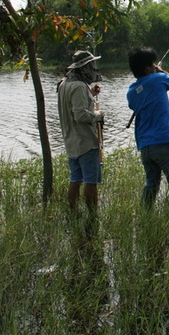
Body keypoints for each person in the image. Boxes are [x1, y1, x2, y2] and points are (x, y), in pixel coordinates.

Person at [126, 47, 169, 219]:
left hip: (145, 146)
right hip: (165, 142)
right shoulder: (159, 78)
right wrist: (163, 71)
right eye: (152, 64)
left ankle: (145, 218)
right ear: (147, 67)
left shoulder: (131, 91)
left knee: (151, 184)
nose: (155, 66)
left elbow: (137, 102)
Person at [57, 50, 104, 213]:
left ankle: (73, 213)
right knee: (90, 181)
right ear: (84, 67)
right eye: (91, 65)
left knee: (75, 179)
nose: (93, 68)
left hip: (71, 142)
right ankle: (92, 214)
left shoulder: (64, 83)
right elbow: (80, 115)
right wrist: (97, 116)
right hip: (85, 142)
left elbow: (74, 104)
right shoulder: (79, 86)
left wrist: (90, 94)